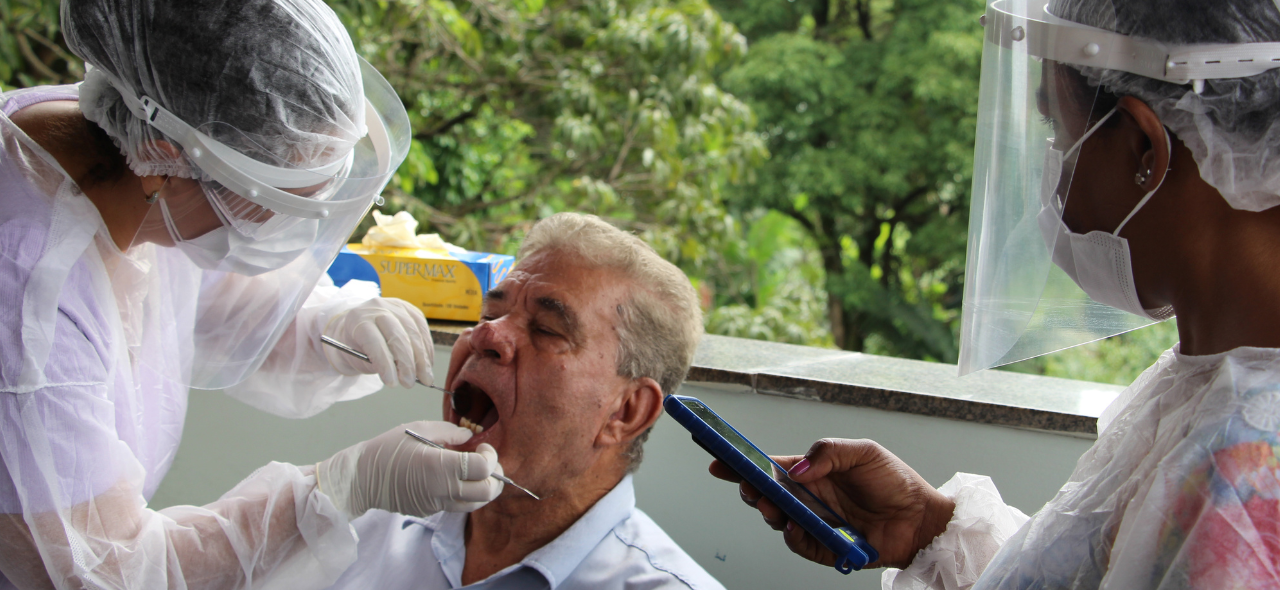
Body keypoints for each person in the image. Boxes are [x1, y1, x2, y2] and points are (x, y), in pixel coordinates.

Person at [712, 0, 1280, 588]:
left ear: (1144, 146)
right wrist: (932, 530)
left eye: (1056, 131)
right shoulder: (1213, 386)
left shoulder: (1243, 474)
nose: (1054, 181)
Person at [0, 1, 505, 588]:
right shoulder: (27, 320)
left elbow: (199, 281)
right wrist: (339, 489)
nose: (276, 232)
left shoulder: (123, 127)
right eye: (276, 206)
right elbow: (115, 574)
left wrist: (326, 324)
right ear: (166, 163)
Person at [325, 212, 725, 590]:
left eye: (547, 330)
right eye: (489, 314)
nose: (485, 336)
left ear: (626, 411)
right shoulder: (357, 530)